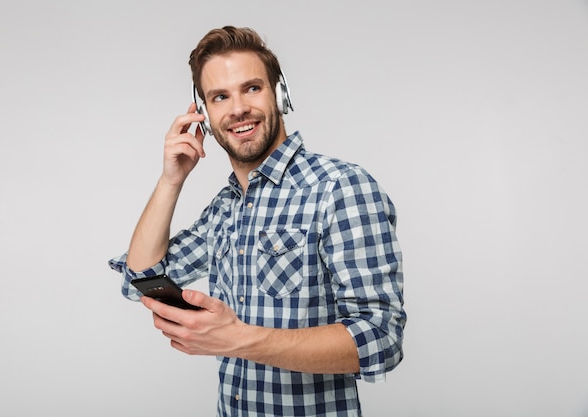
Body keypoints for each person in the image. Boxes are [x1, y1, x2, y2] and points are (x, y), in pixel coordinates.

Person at [109, 25, 406, 417]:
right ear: (204, 114)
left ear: (279, 93)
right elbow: (141, 277)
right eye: (219, 97)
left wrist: (237, 339)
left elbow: (381, 338)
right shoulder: (225, 208)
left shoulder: (340, 188)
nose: (236, 109)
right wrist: (171, 179)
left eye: (251, 88)